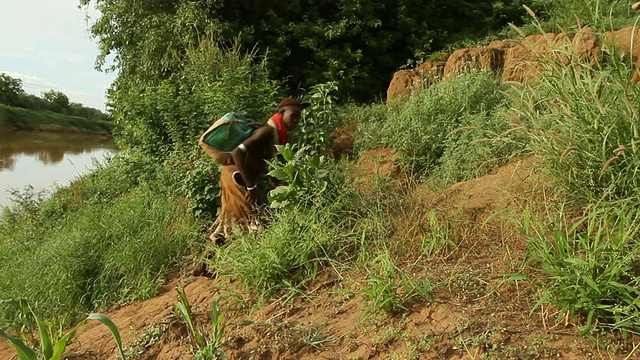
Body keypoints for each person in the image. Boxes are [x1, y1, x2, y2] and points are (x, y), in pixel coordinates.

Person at [193, 98, 308, 276]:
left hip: (232, 175)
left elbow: (256, 157)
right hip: (236, 176)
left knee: (230, 219)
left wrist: (271, 177)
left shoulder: (277, 135)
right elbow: (237, 153)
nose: (296, 120)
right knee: (258, 216)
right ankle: (262, 267)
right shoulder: (267, 131)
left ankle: (204, 264)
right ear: (282, 113)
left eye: (298, 117)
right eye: (293, 115)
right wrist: (251, 187)